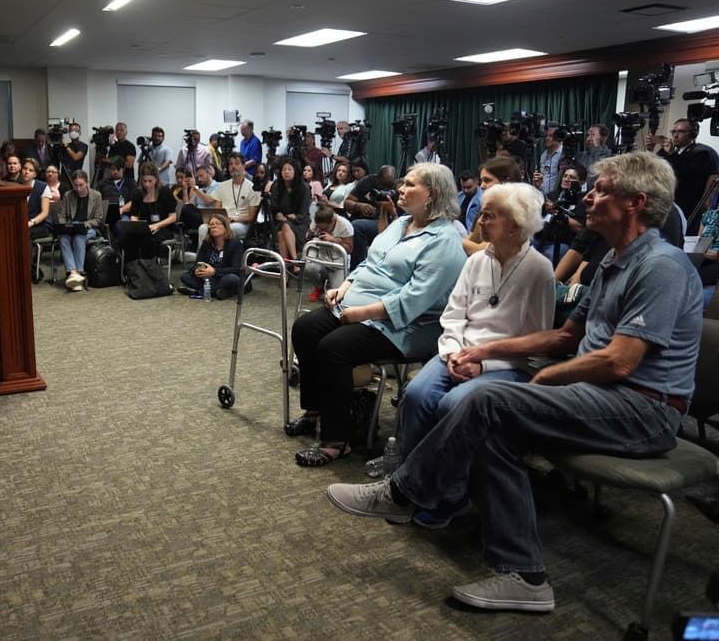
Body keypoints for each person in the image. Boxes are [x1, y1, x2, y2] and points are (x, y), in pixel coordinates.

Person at [326, 151, 703, 614]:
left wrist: (543, 377)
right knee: (492, 428)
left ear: (635, 202)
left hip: (644, 410)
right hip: (602, 397)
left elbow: (620, 362)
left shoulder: (660, 266)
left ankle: (405, 491)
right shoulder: (615, 260)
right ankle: (525, 576)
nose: (588, 195)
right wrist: (485, 351)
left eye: (602, 189)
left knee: (488, 401)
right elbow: (565, 335)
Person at [364, 184, 554, 528]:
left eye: (490, 215)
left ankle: (449, 496)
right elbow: (452, 316)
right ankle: (409, 491)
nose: (480, 220)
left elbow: (534, 342)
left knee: (454, 406)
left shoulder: (539, 270)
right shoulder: (477, 261)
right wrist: (453, 354)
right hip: (458, 351)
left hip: (506, 366)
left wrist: (484, 363)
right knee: (417, 395)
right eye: (482, 211)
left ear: (516, 225)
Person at [288, 163, 467, 464]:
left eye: (410, 185)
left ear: (431, 194)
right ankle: (316, 411)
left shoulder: (445, 242)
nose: (401, 188)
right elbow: (371, 263)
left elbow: (413, 300)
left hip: (407, 325)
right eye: (403, 183)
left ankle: (337, 439)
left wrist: (360, 313)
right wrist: (344, 285)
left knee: (334, 348)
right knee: (305, 329)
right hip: (361, 305)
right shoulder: (401, 224)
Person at [655, 118, 719, 231]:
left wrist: (672, 154)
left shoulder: (702, 153)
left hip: (688, 208)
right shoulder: (673, 151)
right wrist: (651, 150)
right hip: (667, 205)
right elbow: (655, 168)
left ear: (692, 134)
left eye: (680, 132)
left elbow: (683, 178)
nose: (675, 135)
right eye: (673, 132)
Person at [462, 156, 523, 257]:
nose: (482, 186)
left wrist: (451, 238)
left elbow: (483, 250)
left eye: (487, 180)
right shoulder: (485, 208)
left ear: (506, 182)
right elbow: (472, 238)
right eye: (481, 181)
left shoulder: (514, 215)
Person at [178, 213, 246, 300]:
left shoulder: (235, 244)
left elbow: (236, 269)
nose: (214, 226)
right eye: (211, 224)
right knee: (184, 276)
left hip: (224, 276)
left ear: (225, 227)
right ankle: (220, 291)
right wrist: (198, 270)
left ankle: (199, 291)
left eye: (218, 223)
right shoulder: (207, 243)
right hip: (209, 278)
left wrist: (214, 271)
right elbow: (198, 263)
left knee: (232, 279)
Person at [58, 170, 106, 291]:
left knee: (79, 237)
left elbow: (98, 219)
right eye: (76, 185)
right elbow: (62, 216)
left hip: (88, 227)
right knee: (63, 238)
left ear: (87, 183)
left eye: (81, 185)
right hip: (71, 226)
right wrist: (66, 225)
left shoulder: (96, 195)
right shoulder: (68, 195)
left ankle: (78, 271)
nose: (78, 189)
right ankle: (74, 272)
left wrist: (85, 224)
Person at [344, 163, 398, 268]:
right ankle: (357, 266)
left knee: (358, 226)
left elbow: (399, 218)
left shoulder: (398, 188)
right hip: (361, 218)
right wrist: (359, 206)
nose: (385, 188)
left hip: (385, 223)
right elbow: (347, 202)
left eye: (389, 186)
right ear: (378, 178)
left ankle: (358, 268)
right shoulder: (368, 181)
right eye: (383, 185)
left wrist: (391, 210)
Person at [122, 164, 178, 263]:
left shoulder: (165, 192)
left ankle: (148, 268)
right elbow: (134, 214)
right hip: (146, 226)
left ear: (156, 179)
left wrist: (157, 225)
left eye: (150, 181)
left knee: (148, 240)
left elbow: (173, 217)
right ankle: (132, 269)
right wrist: (136, 224)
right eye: (144, 181)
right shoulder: (138, 193)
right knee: (128, 238)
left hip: (164, 227)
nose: (147, 184)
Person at [201, 153, 260, 243]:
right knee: (203, 228)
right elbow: (217, 210)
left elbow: (252, 217)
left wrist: (236, 219)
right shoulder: (222, 186)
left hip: (241, 223)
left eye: (237, 163)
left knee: (227, 229)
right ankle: (203, 256)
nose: (233, 166)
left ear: (244, 166)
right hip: (223, 221)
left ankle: (222, 255)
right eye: (231, 164)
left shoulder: (252, 187)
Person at [533, 164, 587, 264]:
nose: (566, 179)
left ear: (581, 182)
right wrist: (538, 188)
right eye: (565, 176)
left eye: (572, 177)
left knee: (545, 263)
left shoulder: (582, 201)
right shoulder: (553, 195)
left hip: (561, 242)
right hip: (538, 238)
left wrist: (557, 212)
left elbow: (579, 227)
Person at [303, 204, 354, 302]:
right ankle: (319, 287)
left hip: (337, 261)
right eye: (320, 228)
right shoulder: (317, 220)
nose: (322, 230)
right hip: (320, 255)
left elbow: (349, 249)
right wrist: (312, 234)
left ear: (333, 221)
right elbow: (308, 234)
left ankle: (330, 283)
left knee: (338, 296)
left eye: (324, 229)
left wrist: (334, 240)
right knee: (308, 267)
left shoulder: (345, 225)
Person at [265, 157, 311, 263]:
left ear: (295, 171)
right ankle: (289, 265)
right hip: (281, 221)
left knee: (284, 229)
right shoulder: (276, 186)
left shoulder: (304, 187)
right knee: (282, 230)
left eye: (289, 169)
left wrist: (295, 217)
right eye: (284, 170)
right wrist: (278, 213)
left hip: (300, 222)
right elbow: (273, 207)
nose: (286, 172)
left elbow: (304, 211)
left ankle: (291, 262)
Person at [24, 158, 52, 239]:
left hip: (40, 224)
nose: (26, 172)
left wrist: (30, 223)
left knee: (25, 233)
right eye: (25, 168)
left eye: (30, 170)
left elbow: (44, 213)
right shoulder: (16, 186)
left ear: (35, 174)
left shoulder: (43, 186)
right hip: (24, 223)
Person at [534, 128, 563, 197]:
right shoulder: (543, 154)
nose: (547, 138)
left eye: (551, 136)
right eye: (546, 135)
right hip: (541, 195)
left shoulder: (563, 154)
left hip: (555, 197)